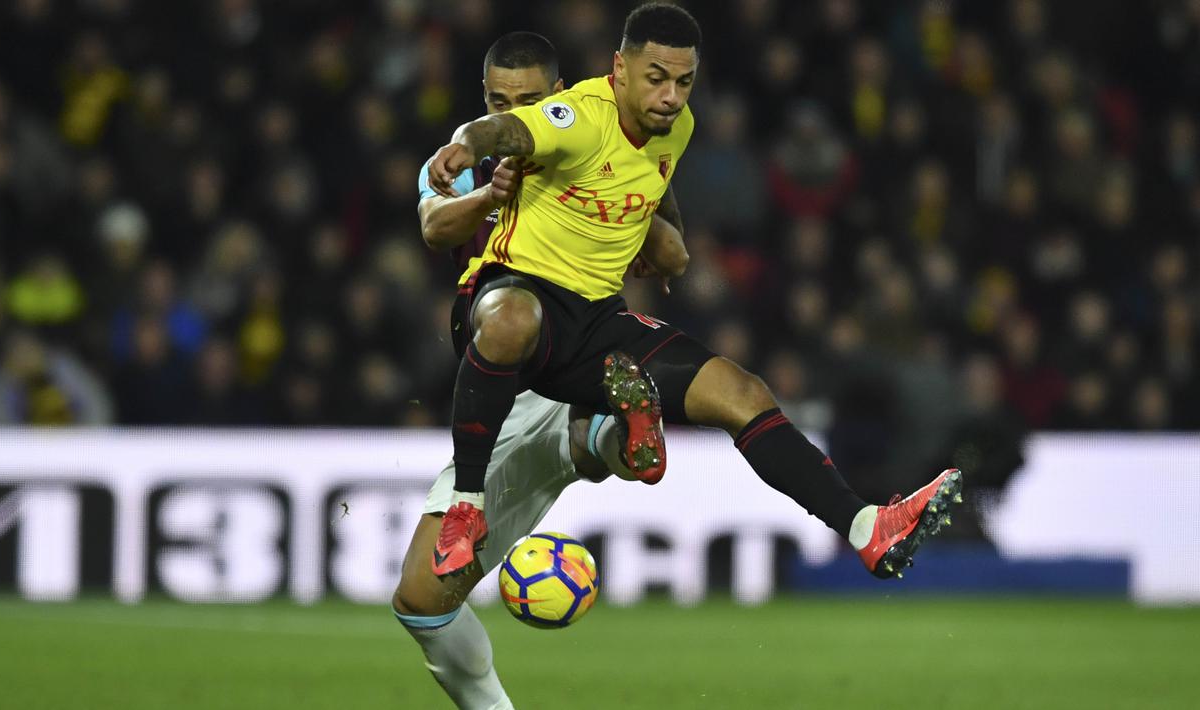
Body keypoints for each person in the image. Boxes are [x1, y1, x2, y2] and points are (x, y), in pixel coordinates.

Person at [424, 3, 962, 581]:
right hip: (508, 294)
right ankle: (468, 506)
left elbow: (662, 214)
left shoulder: (675, 127)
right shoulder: (575, 114)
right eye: (656, 78)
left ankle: (866, 527)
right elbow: (505, 130)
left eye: (684, 82)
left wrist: (666, 247)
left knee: (740, 390)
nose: (672, 95)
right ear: (620, 69)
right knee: (514, 317)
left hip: (593, 320)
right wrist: (466, 143)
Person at [393, 32, 689, 710]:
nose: (513, 114)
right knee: (422, 598)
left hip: (554, 361)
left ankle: (611, 431)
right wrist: (490, 199)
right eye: (499, 102)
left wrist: (650, 234)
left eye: (529, 101)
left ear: (558, 98)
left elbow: (673, 249)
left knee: (420, 598)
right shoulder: (461, 161)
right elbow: (435, 227)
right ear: (484, 105)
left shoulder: (598, 146)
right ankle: (609, 436)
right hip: (516, 389)